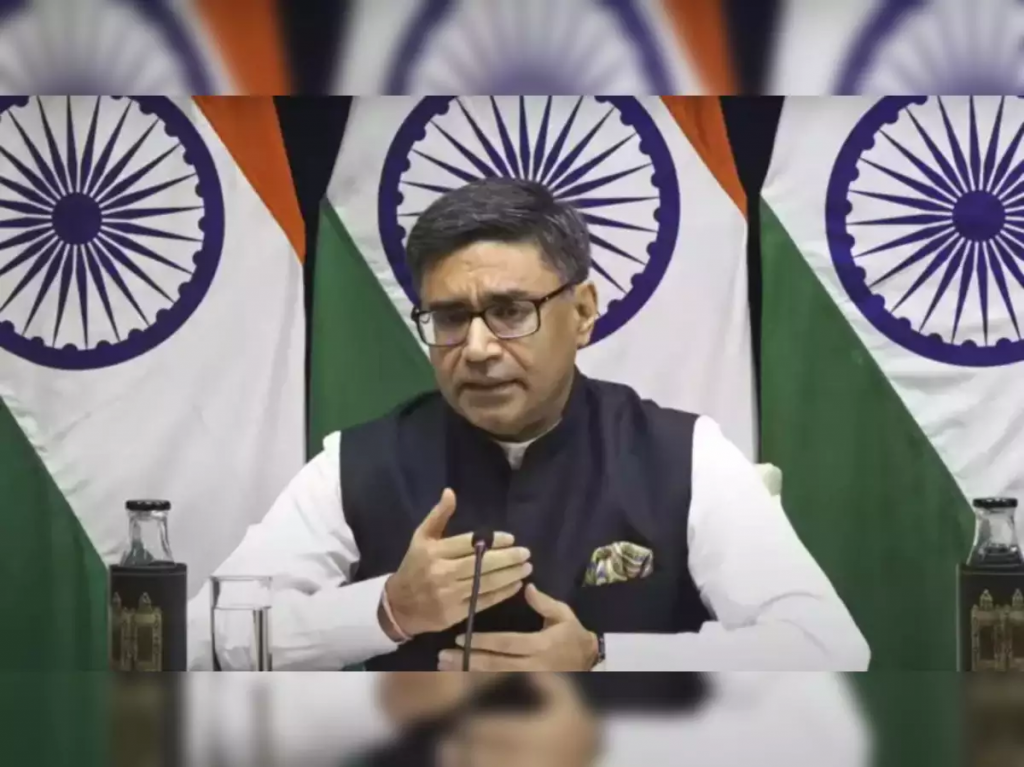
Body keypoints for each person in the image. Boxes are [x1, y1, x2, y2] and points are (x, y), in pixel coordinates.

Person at [187, 177, 869, 672]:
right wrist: (387, 610)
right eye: (450, 318)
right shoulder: (360, 463)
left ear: (583, 312)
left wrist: (603, 658)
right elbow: (197, 642)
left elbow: (827, 646)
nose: (478, 348)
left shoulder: (682, 454)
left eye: (511, 311)